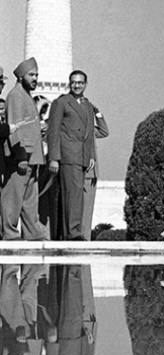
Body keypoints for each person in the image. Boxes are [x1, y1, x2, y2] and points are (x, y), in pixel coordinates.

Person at [46, 69, 109, 241]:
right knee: (71, 195)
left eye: (80, 82)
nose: (77, 85)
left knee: (77, 197)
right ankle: (72, 233)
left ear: (85, 84)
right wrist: (53, 158)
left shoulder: (88, 105)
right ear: (69, 83)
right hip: (68, 155)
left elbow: (89, 133)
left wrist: (90, 157)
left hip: (82, 157)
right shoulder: (62, 103)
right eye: (74, 82)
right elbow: (54, 131)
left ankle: (73, 232)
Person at [2, 58, 46, 240]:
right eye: (31, 75)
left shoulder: (26, 95)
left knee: (30, 201)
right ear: (21, 77)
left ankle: (33, 235)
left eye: (36, 74)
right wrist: (20, 156)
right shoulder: (15, 96)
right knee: (12, 200)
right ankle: (10, 235)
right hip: (21, 158)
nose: (35, 78)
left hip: (33, 158)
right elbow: (14, 128)